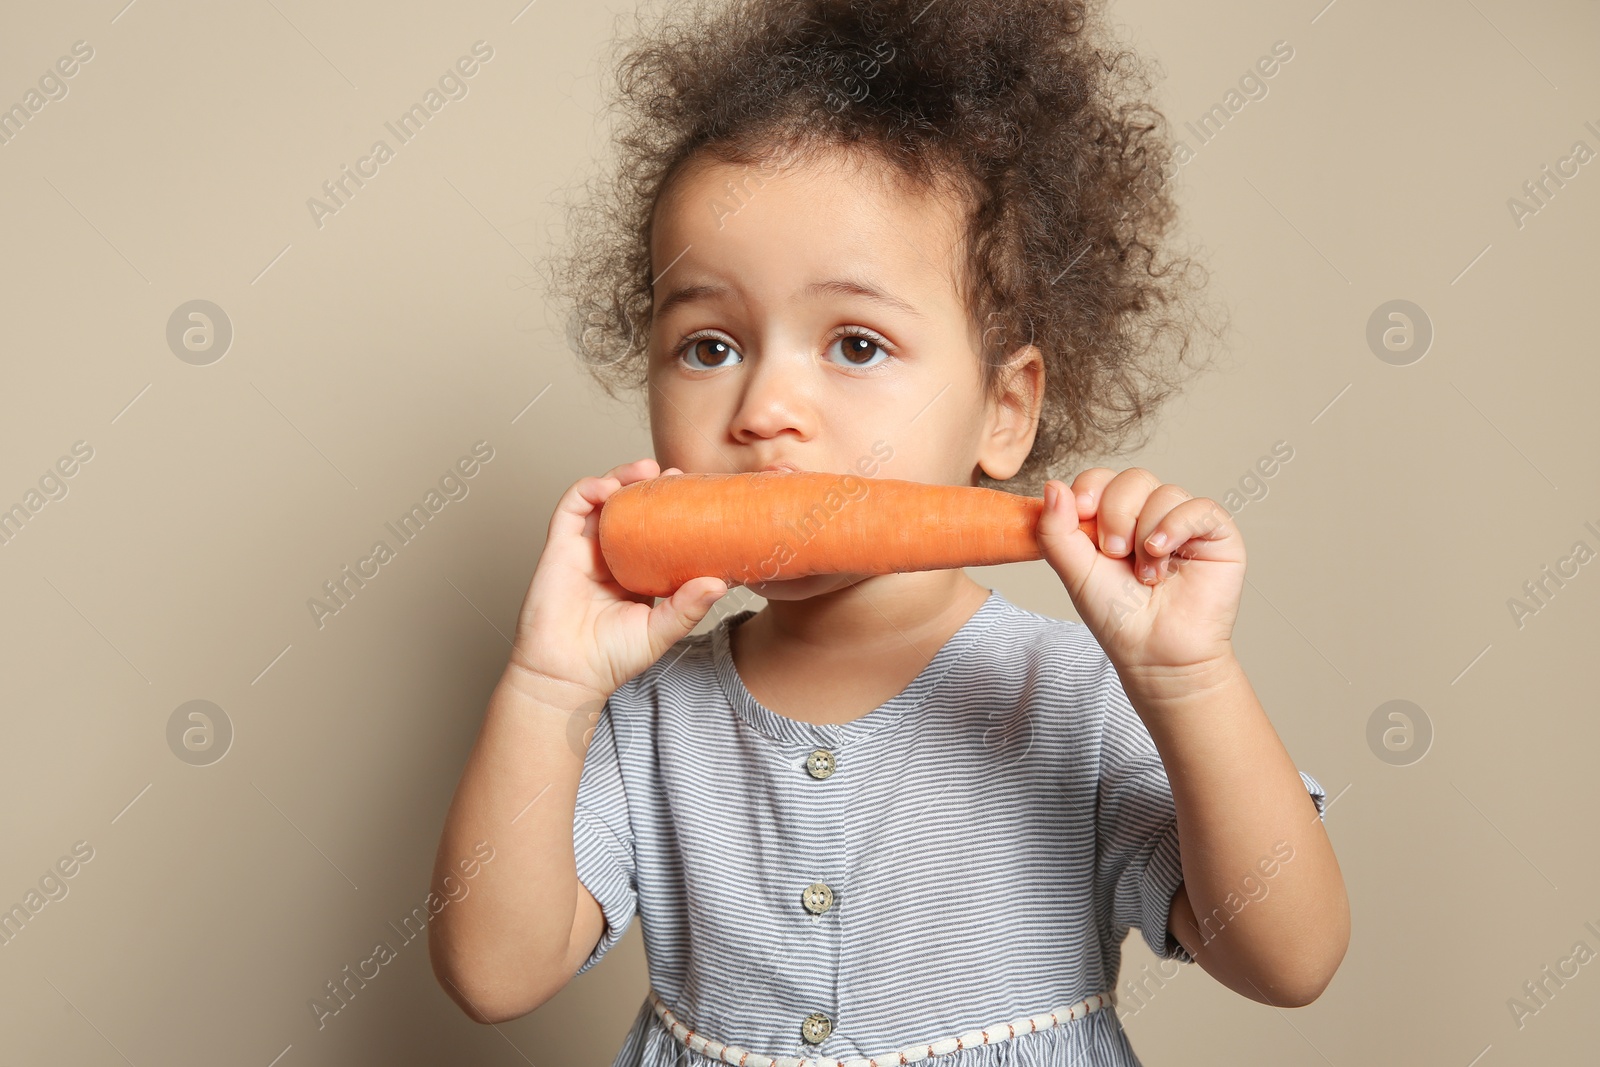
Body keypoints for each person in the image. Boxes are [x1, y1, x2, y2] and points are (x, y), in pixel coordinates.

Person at [428, 0, 1350, 1063]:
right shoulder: (642, 713)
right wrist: (546, 688)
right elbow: (493, 973)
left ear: (1005, 409)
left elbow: (1291, 956)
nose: (765, 406)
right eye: (709, 344)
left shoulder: (1079, 691)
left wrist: (1187, 680)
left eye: (856, 344)